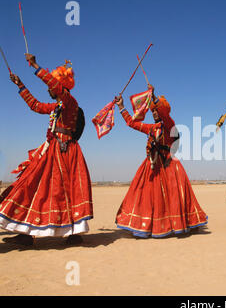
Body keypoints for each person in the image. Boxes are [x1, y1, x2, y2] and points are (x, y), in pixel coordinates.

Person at [0, 54, 92, 245]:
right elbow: (35, 106)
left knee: (66, 190)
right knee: (33, 184)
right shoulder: (57, 106)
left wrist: (35, 66)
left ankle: (73, 233)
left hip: (66, 151)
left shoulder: (70, 102)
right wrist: (21, 86)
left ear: (60, 87)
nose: (49, 89)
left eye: (52, 86)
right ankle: (25, 232)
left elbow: (56, 87)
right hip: (52, 149)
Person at [114, 86, 208, 238]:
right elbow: (132, 123)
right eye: (153, 111)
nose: (155, 112)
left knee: (173, 196)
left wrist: (155, 97)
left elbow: (165, 113)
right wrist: (121, 107)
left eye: (156, 110)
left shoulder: (170, 126)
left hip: (169, 165)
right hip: (152, 166)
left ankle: (178, 224)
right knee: (147, 195)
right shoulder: (151, 128)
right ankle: (148, 226)